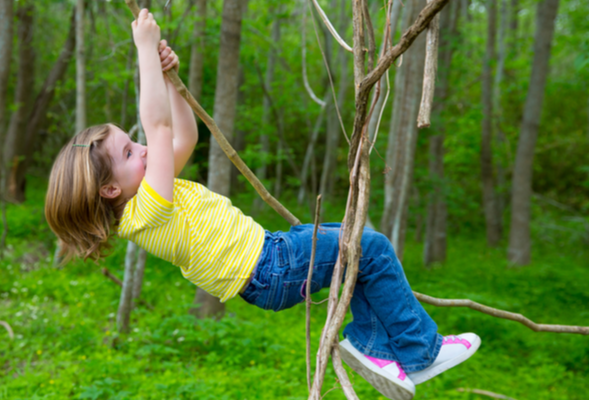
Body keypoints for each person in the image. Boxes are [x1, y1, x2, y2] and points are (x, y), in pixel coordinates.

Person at [45, 9, 480, 400]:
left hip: (271, 257)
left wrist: (173, 83)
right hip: (271, 267)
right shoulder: (147, 211)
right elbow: (157, 128)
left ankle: (376, 347)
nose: (141, 149)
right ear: (108, 191)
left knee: (360, 247)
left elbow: (183, 138)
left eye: (135, 144)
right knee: (374, 249)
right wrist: (143, 49)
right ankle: (419, 351)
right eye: (127, 153)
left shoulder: (151, 192)